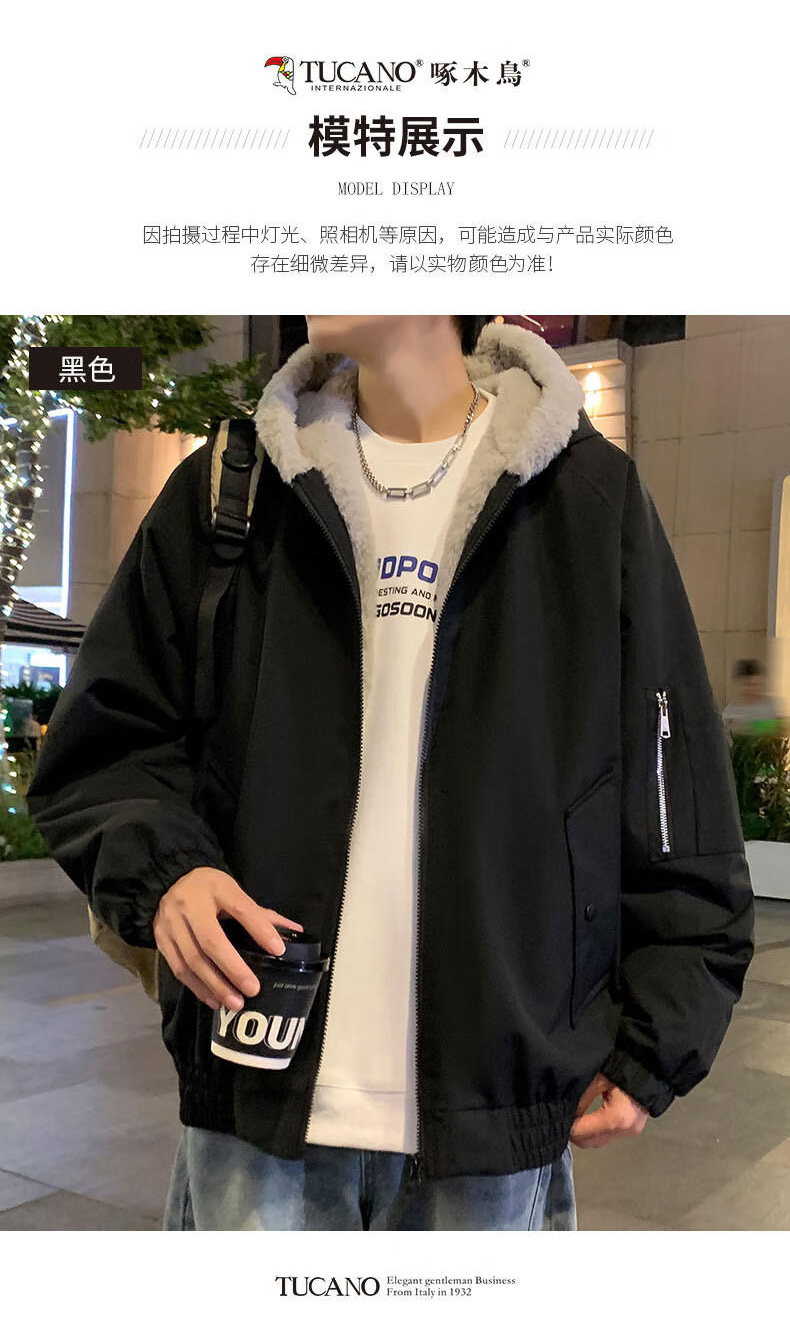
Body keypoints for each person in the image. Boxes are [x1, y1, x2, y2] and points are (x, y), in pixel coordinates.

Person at [27, 316, 755, 1232]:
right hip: (257, 1097)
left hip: (492, 1116)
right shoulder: (235, 487)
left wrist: (662, 1034)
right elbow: (107, 739)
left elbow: (671, 780)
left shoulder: (585, 498)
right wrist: (167, 872)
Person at [721, 658, 782, 738]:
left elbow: (776, 727)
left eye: (755, 684)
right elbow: (722, 730)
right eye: (748, 684)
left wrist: (746, 726)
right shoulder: (732, 710)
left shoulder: (770, 704)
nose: (752, 689)